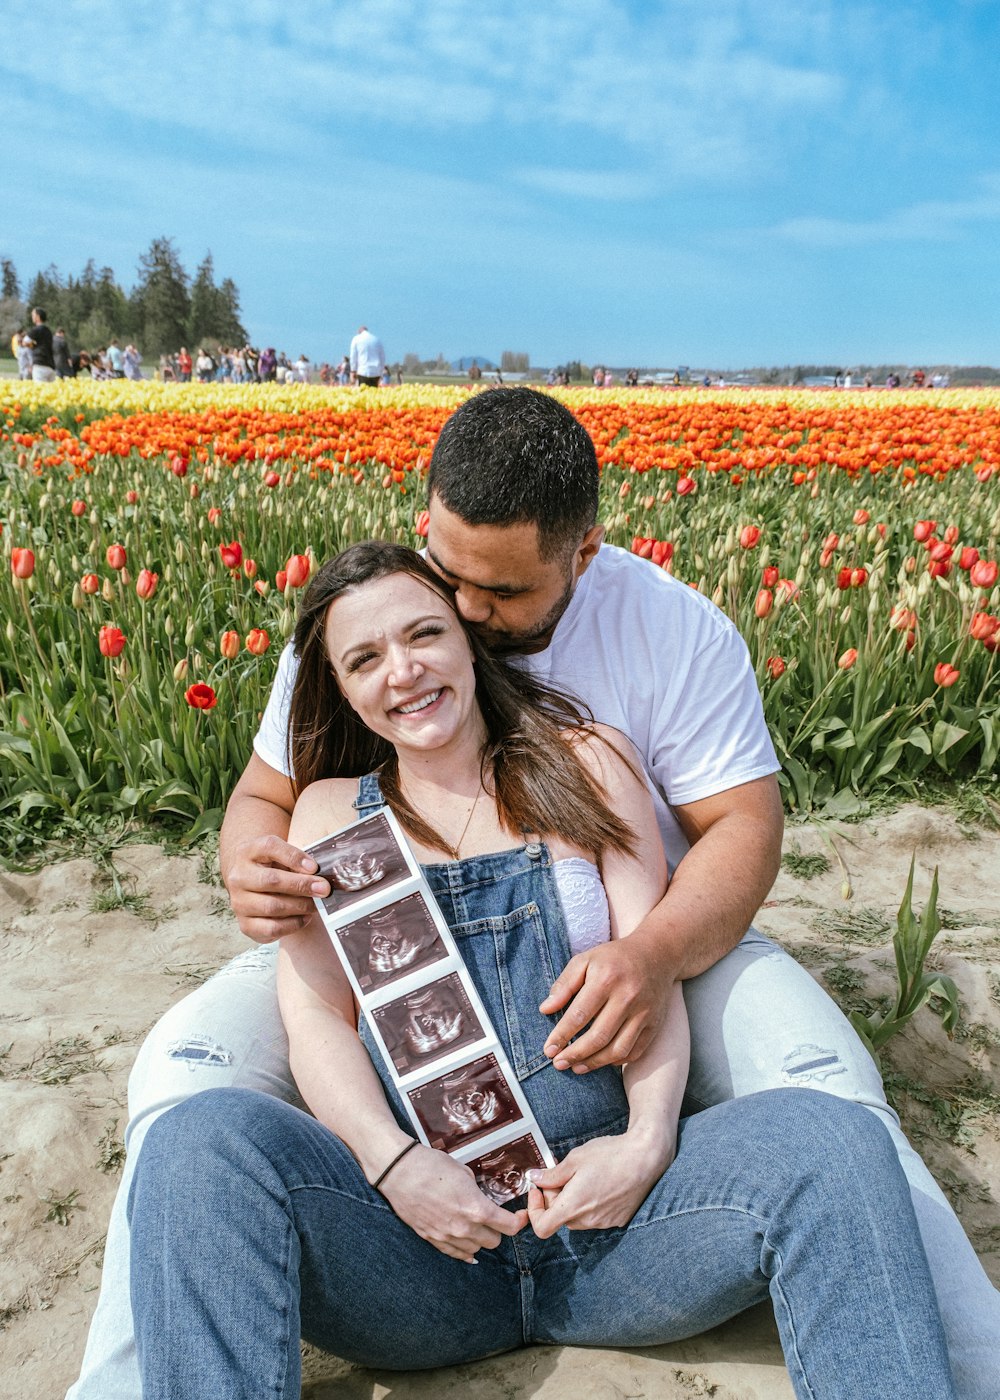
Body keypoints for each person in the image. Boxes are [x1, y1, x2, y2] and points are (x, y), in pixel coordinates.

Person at [68, 389, 1000, 1399]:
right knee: (188, 1102)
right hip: (421, 1251)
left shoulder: (629, 700)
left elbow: (740, 829)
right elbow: (300, 954)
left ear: (580, 553)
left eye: (479, 604)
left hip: (618, 1210)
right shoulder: (338, 793)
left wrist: (647, 1122)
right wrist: (387, 1162)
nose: (459, 616)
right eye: (438, 585)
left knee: (831, 1106)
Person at [22, 306, 56, 382]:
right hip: (50, 365)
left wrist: (32, 345)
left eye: (33, 315)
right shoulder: (48, 331)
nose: (32, 317)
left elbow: (24, 342)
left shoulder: (36, 330)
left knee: (40, 391)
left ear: (38, 317)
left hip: (40, 364)